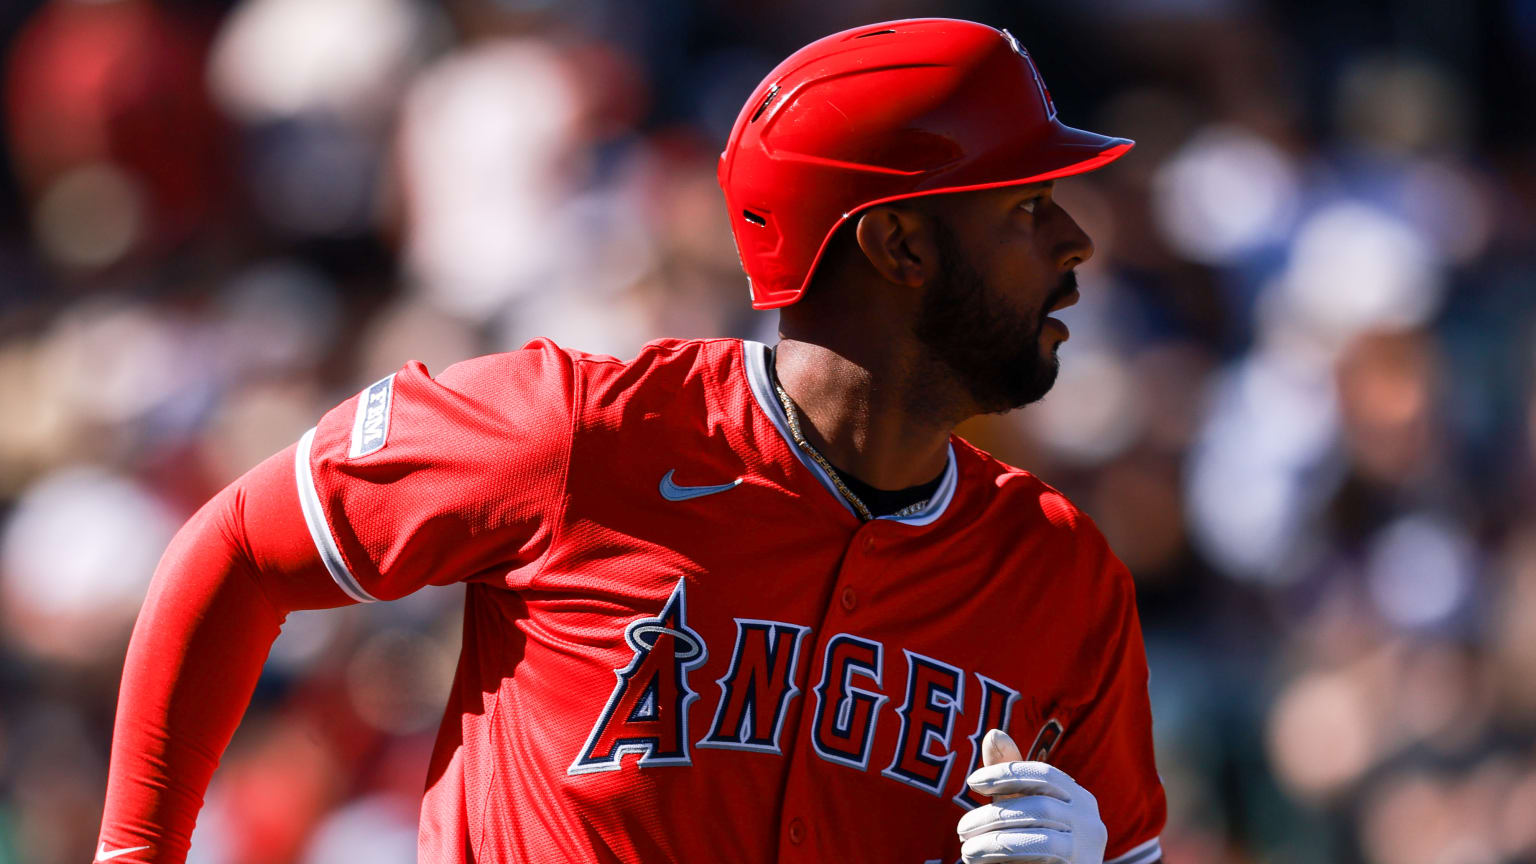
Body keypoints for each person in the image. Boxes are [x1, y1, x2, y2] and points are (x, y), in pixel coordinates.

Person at [97, 17, 1165, 864]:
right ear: (896, 242)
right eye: (1027, 207)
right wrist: (136, 854)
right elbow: (238, 550)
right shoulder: (578, 436)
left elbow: (1129, 849)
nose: (1076, 242)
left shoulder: (1061, 576)